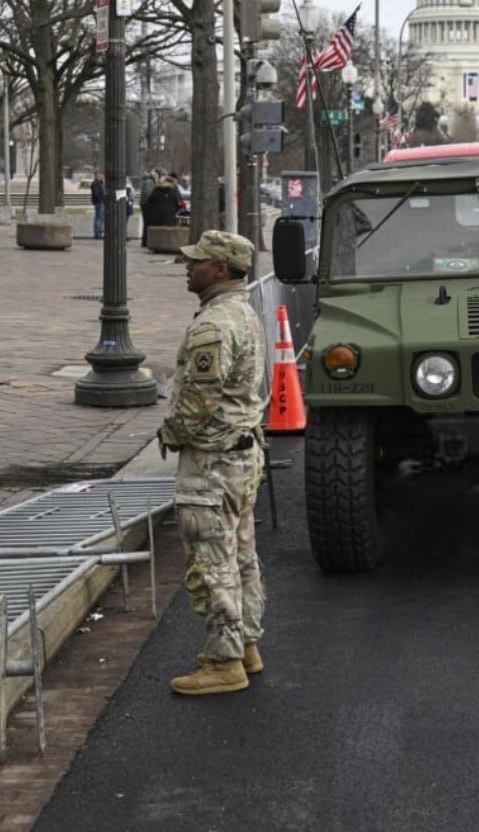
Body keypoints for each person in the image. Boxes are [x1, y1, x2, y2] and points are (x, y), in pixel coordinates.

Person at [158, 230, 268, 696]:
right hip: (242, 453)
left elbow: (199, 401)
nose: (189, 267)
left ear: (221, 270)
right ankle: (246, 645)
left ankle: (224, 661)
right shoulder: (244, 312)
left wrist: (172, 433)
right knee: (241, 556)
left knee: (210, 560)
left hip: (212, 460)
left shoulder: (213, 325)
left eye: (198, 262)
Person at [139, 169, 158, 246]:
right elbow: (148, 193)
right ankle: (146, 241)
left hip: (144, 203)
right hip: (147, 204)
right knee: (148, 223)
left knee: (146, 223)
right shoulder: (149, 181)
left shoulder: (146, 180)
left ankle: (145, 241)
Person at [90, 169, 106, 239]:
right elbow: (96, 194)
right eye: (102, 174)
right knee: (99, 218)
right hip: (99, 202)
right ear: (98, 175)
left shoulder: (100, 183)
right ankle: (98, 233)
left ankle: (99, 233)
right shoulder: (95, 183)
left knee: (100, 218)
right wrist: (101, 200)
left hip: (100, 202)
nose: (103, 176)